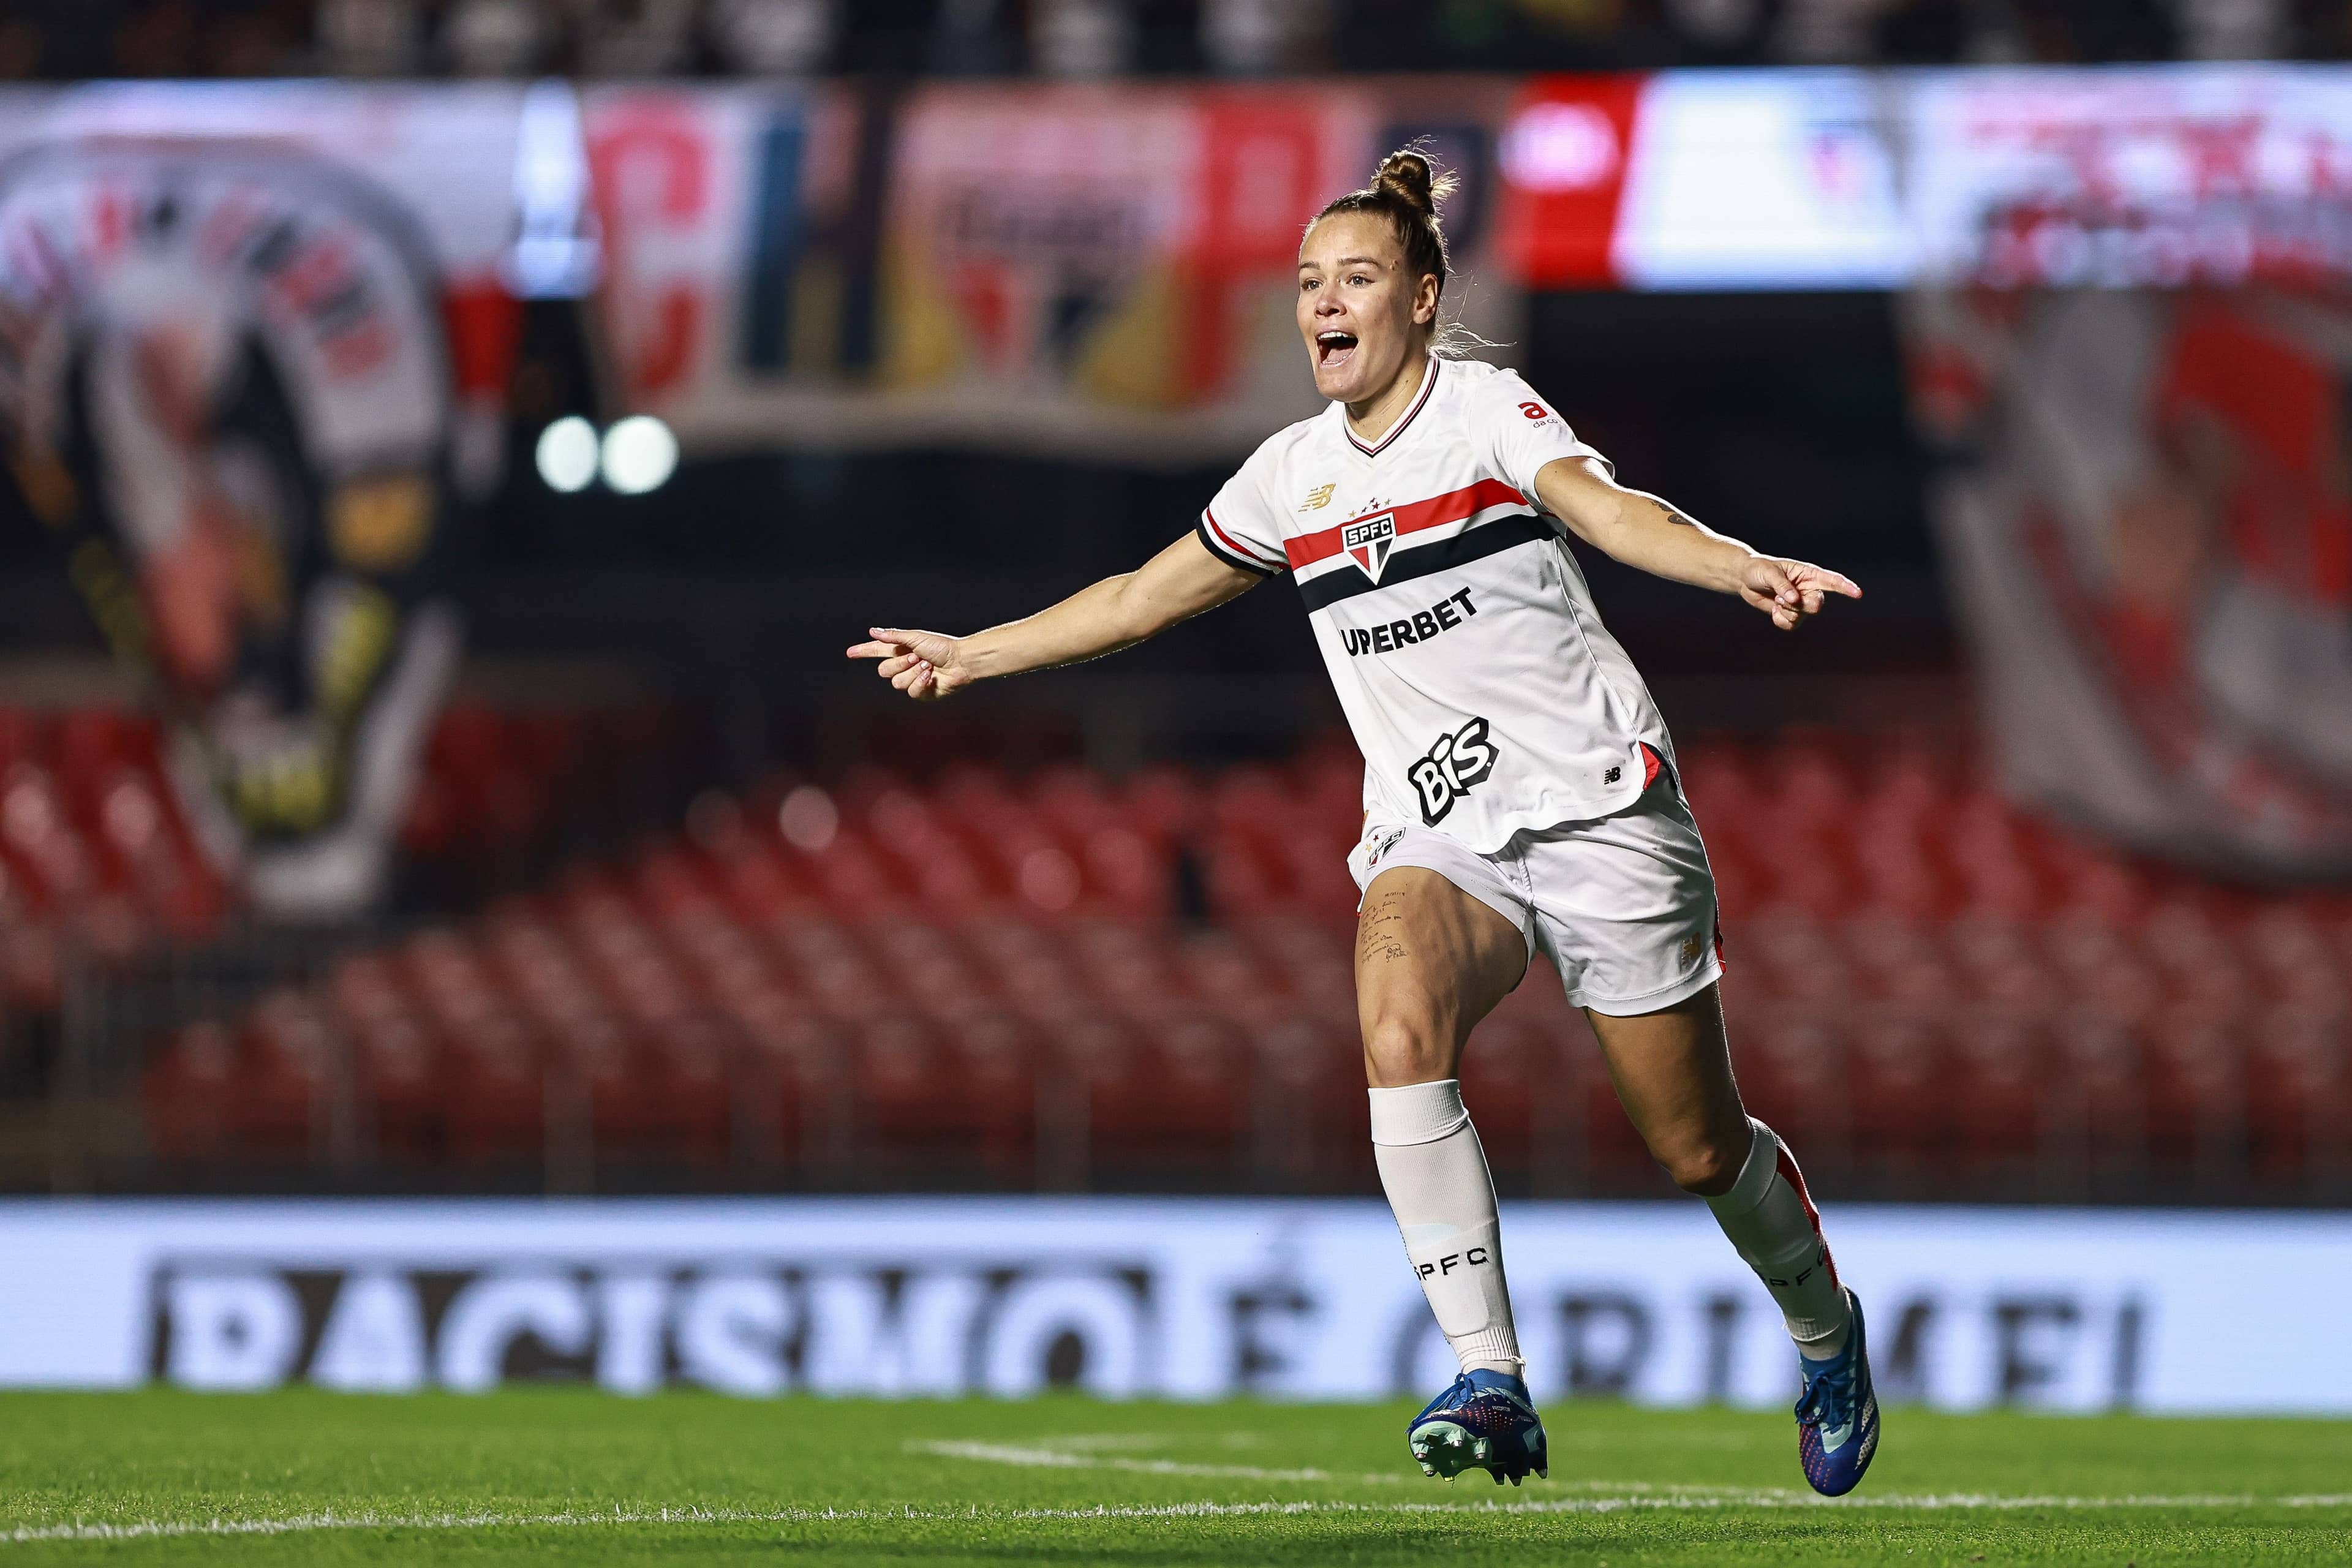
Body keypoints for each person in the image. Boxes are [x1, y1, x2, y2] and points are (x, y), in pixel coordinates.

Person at [848, 148, 1879, 1496]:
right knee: (1394, 1015)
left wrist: (1738, 564)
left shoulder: (1489, 413)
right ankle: (1491, 1376)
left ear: (1425, 298)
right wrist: (976, 654)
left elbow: (1610, 511)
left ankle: (1824, 1327)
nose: (1324, 303)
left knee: (1694, 1144)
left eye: (1357, 278)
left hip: (1599, 813)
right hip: (1440, 832)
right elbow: (1138, 596)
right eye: (1307, 284)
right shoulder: (1293, 477)